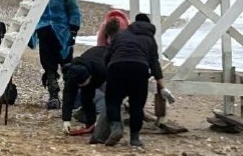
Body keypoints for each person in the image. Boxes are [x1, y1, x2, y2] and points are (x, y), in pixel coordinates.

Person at [104, 13, 173, 147]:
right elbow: (154, 64)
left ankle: (117, 127)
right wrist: (162, 87)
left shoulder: (120, 35)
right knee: (137, 104)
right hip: (139, 68)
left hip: (117, 66)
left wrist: (109, 71)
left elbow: (107, 55)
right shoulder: (150, 40)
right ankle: (135, 138)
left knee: (112, 101)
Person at [29, 0, 82, 109]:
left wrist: (74, 32)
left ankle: (71, 98)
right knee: (49, 68)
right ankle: (54, 96)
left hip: (63, 37)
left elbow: (74, 12)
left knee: (67, 68)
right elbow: (33, 14)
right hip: (45, 35)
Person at [61, 45, 108, 134]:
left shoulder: (102, 70)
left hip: (107, 61)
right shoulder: (72, 74)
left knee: (96, 96)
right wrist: (66, 120)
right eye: (79, 84)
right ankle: (90, 123)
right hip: (91, 62)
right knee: (85, 96)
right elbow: (68, 96)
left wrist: (100, 119)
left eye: (83, 83)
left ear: (90, 76)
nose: (81, 86)